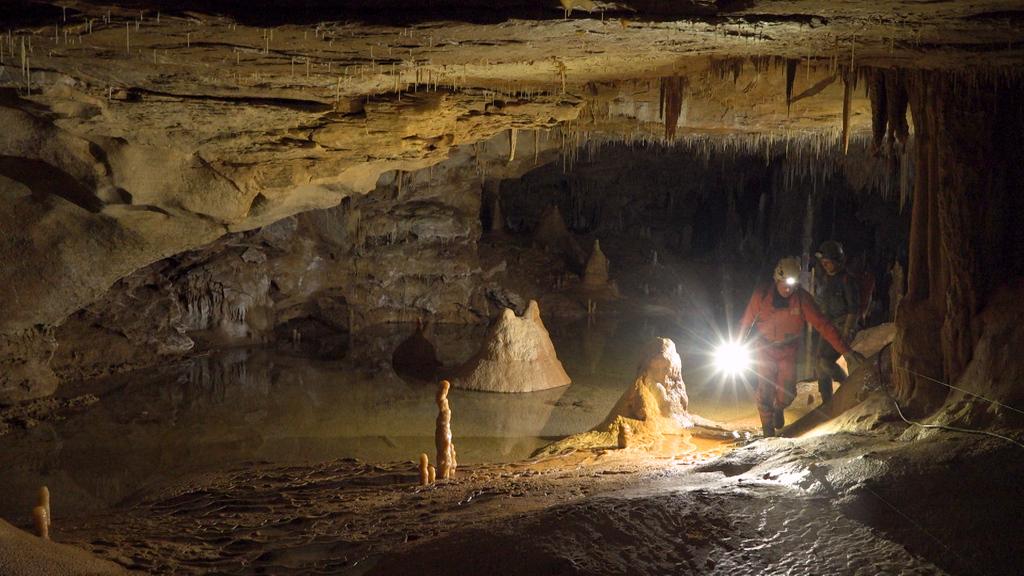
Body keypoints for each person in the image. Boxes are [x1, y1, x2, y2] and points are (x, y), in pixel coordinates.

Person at [739, 257, 865, 437]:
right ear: (777, 279)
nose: (788, 289)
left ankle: (779, 407)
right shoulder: (762, 295)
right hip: (764, 348)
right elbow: (746, 321)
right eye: (784, 284)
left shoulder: (802, 299)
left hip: (788, 350)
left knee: (787, 393)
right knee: (764, 389)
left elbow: (823, 325)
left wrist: (846, 351)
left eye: (792, 284)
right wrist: (738, 342)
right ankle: (767, 431)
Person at [814, 240, 861, 404]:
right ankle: (827, 401)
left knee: (825, 362)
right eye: (823, 262)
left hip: (842, 325)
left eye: (828, 262)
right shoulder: (825, 279)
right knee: (819, 363)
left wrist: (847, 330)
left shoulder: (847, 280)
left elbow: (854, 309)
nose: (825, 265)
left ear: (837, 261)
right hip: (827, 325)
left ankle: (847, 385)